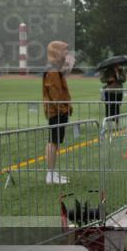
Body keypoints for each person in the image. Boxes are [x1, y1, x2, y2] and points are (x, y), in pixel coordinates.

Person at [43, 40, 74, 184]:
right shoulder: (52, 70)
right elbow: (55, 94)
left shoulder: (55, 69)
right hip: (56, 111)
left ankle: (52, 173)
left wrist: (68, 65)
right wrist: (63, 109)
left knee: (55, 142)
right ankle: (50, 174)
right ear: (56, 52)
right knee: (53, 142)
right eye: (64, 50)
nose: (66, 52)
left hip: (58, 110)